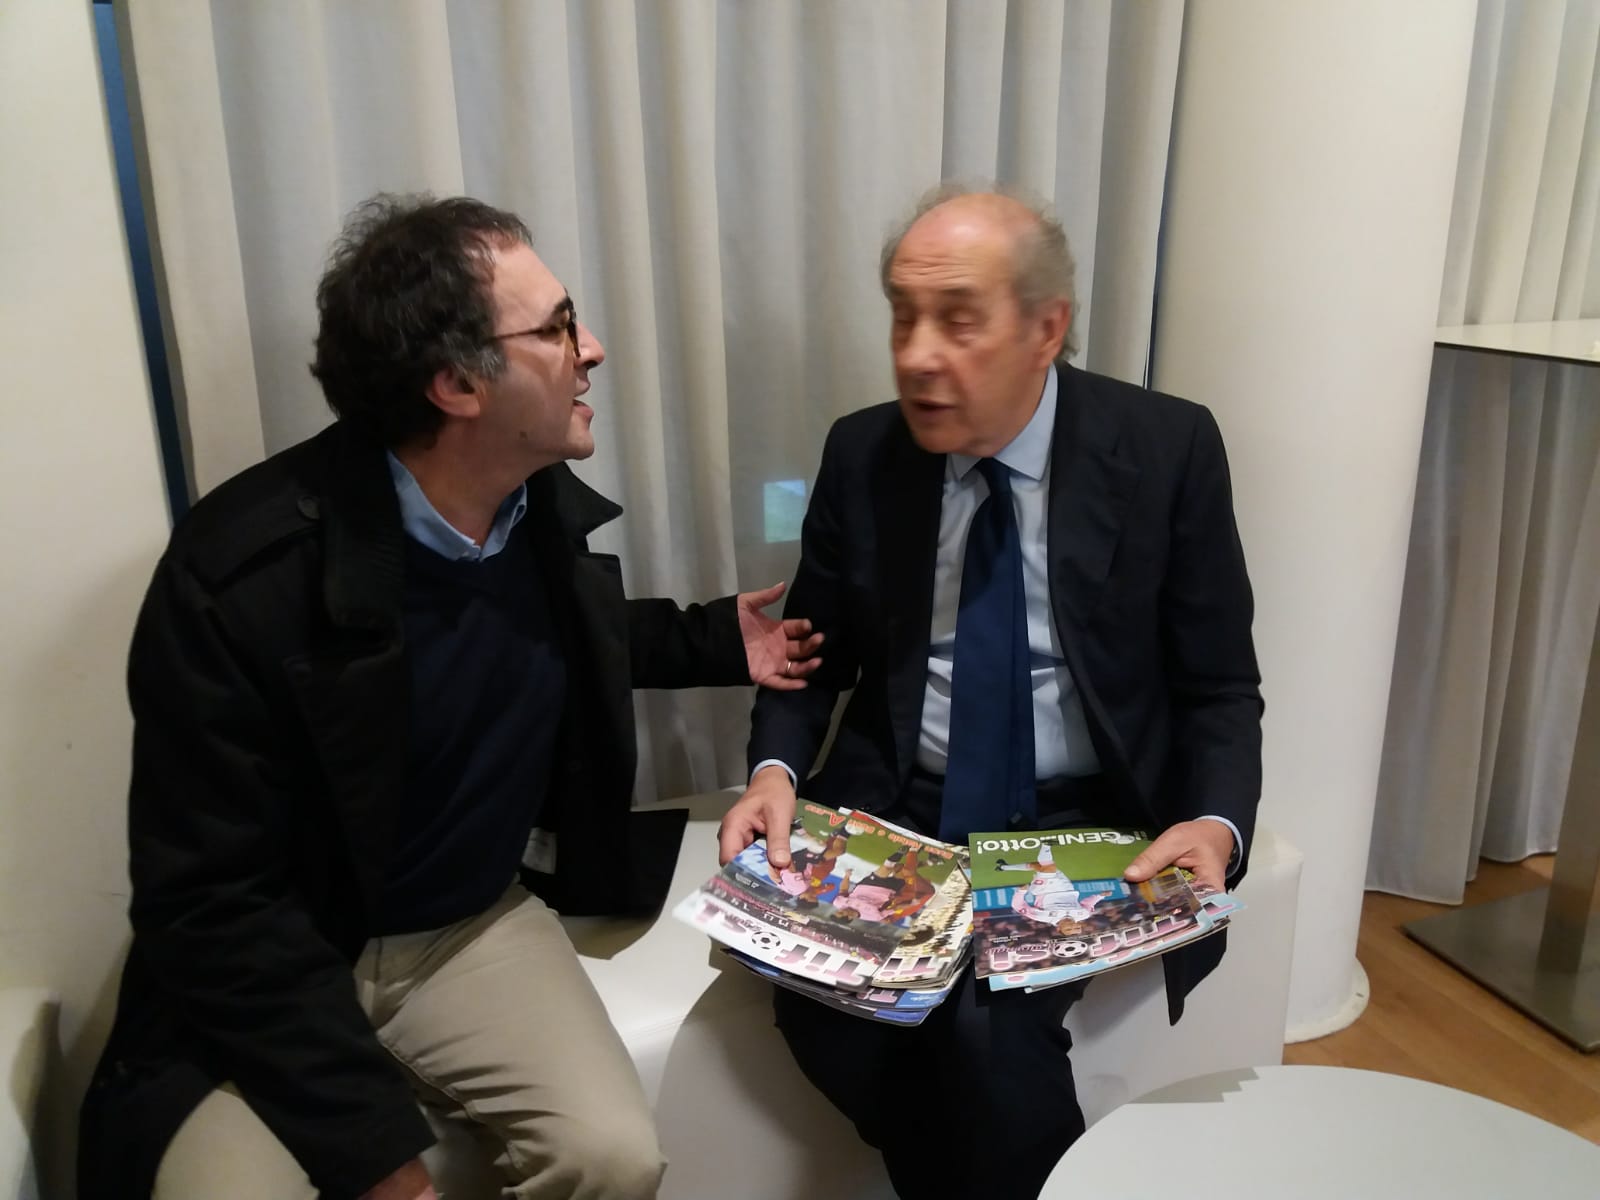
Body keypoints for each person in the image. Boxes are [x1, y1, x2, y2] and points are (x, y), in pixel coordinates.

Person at [79, 194, 822, 1200]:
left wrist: (716, 639)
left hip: (467, 927)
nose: (593, 349)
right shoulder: (242, 574)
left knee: (613, 1157)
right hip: (288, 955)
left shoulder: (528, 513)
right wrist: (382, 1162)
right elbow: (211, 901)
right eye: (558, 327)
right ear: (457, 385)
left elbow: (550, 632)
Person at [717, 185, 1262, 1199]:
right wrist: (774, 769)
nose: (918, 355)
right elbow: (807, 656)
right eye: (903, 316)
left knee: (983, 1032)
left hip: (1084, 816)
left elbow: (1220, 683)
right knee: (821, 1002)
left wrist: (1218, 823)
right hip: (904, 801)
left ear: (1046, 328)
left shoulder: (1166, 448)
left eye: (958, 320)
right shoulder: (863, 452)